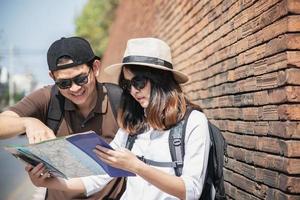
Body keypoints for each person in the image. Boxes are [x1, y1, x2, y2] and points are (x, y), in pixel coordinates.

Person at [26, 37, 211, 200]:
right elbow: (98, 176)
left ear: (161, 79)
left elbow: (191, 191)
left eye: (138, 82)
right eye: (127, 84)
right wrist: (49, 182)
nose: (132, 91)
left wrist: (137, 167)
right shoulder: (133, 124)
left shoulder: (193, 122)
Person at [0, 37, 123, 199]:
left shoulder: (119, 101)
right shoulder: (48, 98)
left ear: (95, 67)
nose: (75, 88)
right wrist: (28, 122)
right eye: (64, 83)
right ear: (52, 77)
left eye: (81, 79)